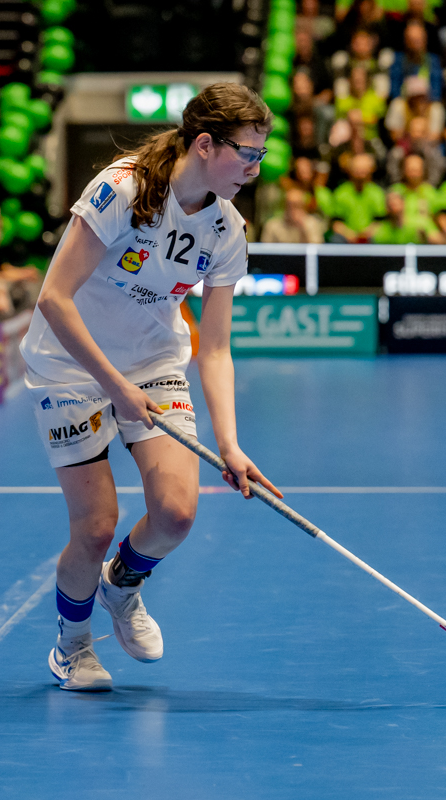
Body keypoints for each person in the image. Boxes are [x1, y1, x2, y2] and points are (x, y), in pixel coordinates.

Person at [20, 83, 281, 692]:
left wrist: (230, 444)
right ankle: (72, 646)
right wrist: (113, 386)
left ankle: (122, 583)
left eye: (261, 155)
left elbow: (215, 348)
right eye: (247, 153)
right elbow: (54, 298)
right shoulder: (124, 189)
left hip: (153, 362)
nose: (254, 168)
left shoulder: (227, 228)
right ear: (205, 144)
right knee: (94, 526)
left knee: (176, 512)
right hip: (69, 364)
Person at [327, 152, 387, 242]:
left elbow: (381, 223)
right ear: (349, 170)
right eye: (357, 170)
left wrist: (366, 233)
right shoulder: (341, 193)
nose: (360, 174)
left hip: (370, 238)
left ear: (371, 170)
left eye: (363, 170)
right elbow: (336, 223)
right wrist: (349, 234)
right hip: (346, 238)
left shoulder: (377, 193)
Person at [389, 18, 442, 101]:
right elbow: (395, 88)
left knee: (437, 107)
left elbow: (436, 89)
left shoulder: (433, 60)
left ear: (425, 40)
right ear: (406, 41)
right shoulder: (398, 60)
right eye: (412, 40)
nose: (415, 45)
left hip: (427, 102)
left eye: (418, 40)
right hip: (405, 102)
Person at [372, 190, 445, 243]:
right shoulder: (380, 230)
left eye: (396, 204)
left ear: (403, 204)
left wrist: (427, 238)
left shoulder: (421, 223)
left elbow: (441, 242)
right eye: (391, 206)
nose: (394, 208)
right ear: (386, 208)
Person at [260, 187, 327, 243]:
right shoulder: (272, 225)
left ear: (304, 207)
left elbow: (317, 250)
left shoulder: (313, 224)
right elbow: (265, 250)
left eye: (297, 205)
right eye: (289, 205)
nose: (292, 209)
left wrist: (303, 229)